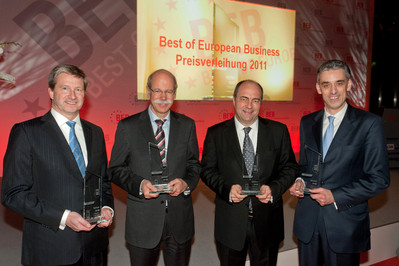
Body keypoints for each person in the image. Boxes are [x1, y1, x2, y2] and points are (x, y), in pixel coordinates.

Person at [1, 64, 114, 266]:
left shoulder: (95, 133)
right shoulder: (27, 132)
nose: (72, 95)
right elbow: (13, 194)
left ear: (84, 94)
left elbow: (103, 181)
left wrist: (106, 207)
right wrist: (64, 217)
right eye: (65, 88)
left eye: (78, 89)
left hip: (94, 248)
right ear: (51, 92)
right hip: (50, 248)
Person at [289, 59, 390, 266]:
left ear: (350, 84)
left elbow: (379, 179)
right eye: (326, 84)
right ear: (318, 88)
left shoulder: (369, 124)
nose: (333, 90)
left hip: (344, 222)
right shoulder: (307, 122)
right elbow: (304, 166)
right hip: (308, 220)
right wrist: (299, 180)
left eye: (339, 83)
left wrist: (335, 196)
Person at [201, 79, 299, 266]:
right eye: (244, 99)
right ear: (234, 100)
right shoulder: (216, 134)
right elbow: (207, 170)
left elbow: (290, 167)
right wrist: (227, 189)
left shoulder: (278, 131)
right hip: (230, 223)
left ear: (261, 103)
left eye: (255, 100)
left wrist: (274, 188)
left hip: (268, 222)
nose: (249, 105)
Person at [108, 69, 200, 266]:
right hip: (143, 221)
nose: (163, 97)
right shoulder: (128, 126)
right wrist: (140, 185)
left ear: (175, 94)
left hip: (179, 219)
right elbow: (115, 169)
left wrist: (185, 183)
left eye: (168, 91)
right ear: (148, 91)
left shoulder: (187, 125)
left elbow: (194, 164)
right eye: (157, 91)